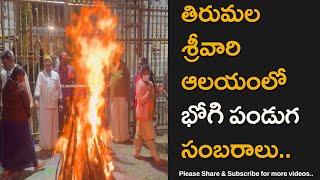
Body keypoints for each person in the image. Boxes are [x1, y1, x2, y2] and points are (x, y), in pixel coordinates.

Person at [1, 66, 44, 178]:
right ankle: (35, 164)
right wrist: (28, 116)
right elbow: (26, 105)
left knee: (10, 145)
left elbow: (5, 105)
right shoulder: (21, 88)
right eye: (22, 76)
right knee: (28, 142)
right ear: (17, 76)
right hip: (20, 121)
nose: (24, 78)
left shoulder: (5, 88)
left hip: (7, 121)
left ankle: (8, 169)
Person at [134, 65, 166, 166]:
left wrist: (158, 91)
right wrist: (148, 93)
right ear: (141, 74)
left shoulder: (151, 84)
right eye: (145, 74)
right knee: (150, 137)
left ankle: (136, 153)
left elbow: (153, 98)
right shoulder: (140, 85)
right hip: (143, 115)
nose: (147, 75)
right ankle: (157, 158)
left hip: (147, 114)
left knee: (139, 135)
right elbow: (140, 101)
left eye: (148, 73)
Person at [34, 55, 63, 154]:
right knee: (45, 126)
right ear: (43, 64)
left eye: (48, 61)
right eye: (45, 61)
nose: (47, 63)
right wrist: (36, 99)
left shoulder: (56, 75)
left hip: (54, 105)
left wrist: (60, 103)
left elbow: (59, 89)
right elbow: (38, 87)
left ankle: (53, 145)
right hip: (45, 105)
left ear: (51, 63)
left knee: (54, 126)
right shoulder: (41, 75)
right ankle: (46, 146)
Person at [54, 51, 76, 136]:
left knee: (69, 118)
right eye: (64, 58)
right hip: (60, 100)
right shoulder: (55, 71)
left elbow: (75, 83)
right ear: (60, 59)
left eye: (67, 58)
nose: (66, 59)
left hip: (70, 98)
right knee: (60, 119)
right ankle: (60, 137)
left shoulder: (72, 69)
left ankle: (68, 137)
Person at [109, 59, 131, 143]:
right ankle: (115, 136)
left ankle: (124, 137)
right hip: (113, 95)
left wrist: (127, 95)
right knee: (114, 117)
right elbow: (106, 79)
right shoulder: (110, 65)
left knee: (122, 116)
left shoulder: (124, 66)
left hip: (122, 95)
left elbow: (128, 81)